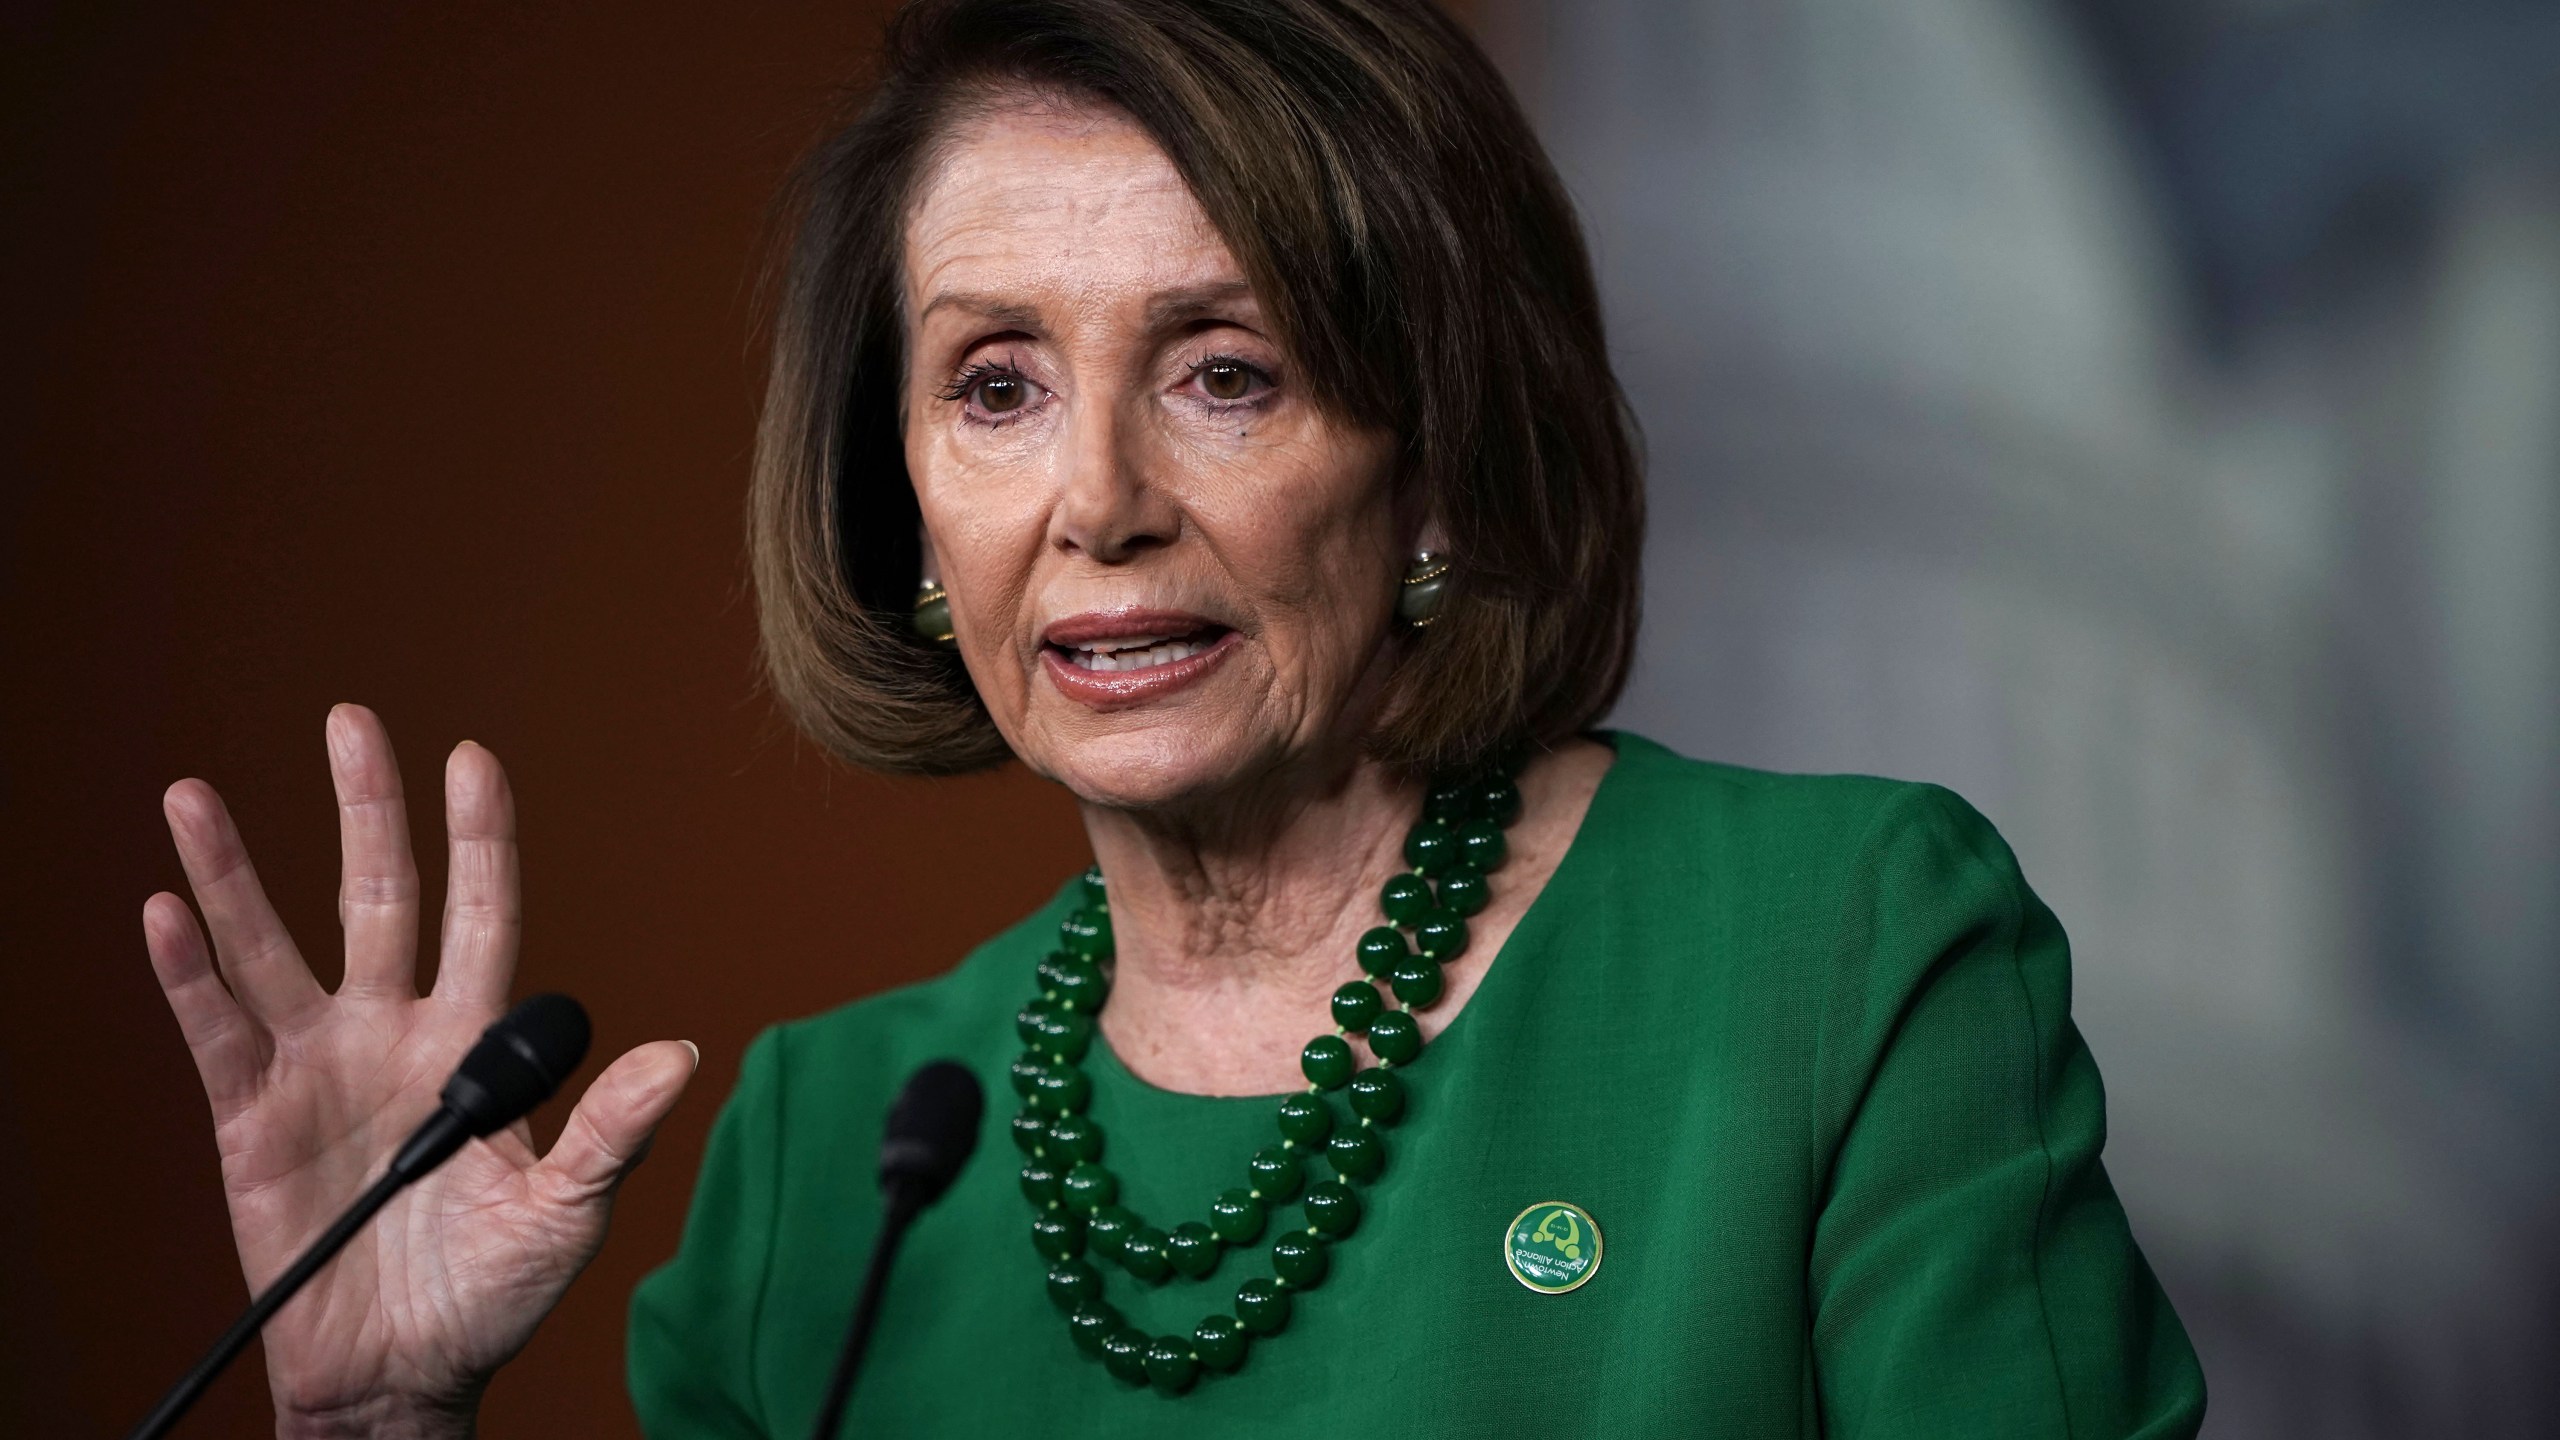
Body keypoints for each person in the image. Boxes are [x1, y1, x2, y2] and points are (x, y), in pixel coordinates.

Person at [139, 0, 2207, 1434]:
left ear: (1433, 452)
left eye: (1225, 369)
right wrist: (384, 1421)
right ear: (906, 511)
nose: (1099, 503)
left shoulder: (1838, 946)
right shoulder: (823, 1157)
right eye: (994, 385)